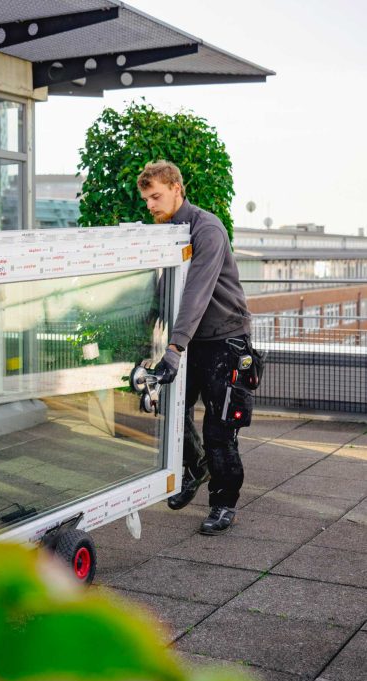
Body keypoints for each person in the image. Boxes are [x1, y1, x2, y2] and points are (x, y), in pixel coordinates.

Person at [137, 160, 252, 535]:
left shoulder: (207, 229)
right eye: (146, 199)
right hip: (187, 341)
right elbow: (164, 290)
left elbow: (195, 293)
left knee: (220, 428)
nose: (150, 205)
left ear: (176, 189)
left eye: (156, 196)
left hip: (224, 340)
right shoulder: (165, 232)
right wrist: (146, 337)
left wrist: (174, 347)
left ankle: (223, 504)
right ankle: (195, 466)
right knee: (173, 411)